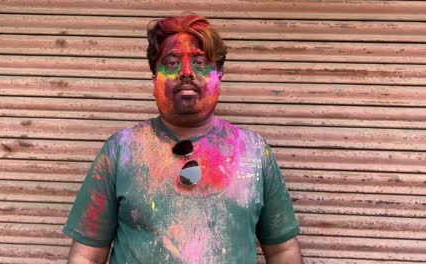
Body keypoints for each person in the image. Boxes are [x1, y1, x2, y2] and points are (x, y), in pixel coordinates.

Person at [63, 12, 302, 264]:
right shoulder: (120, 151)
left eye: (200, 63)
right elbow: (86, 256)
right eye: (172, 62)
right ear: (154, 77)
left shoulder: (254, 152)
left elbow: (282, 251)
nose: (186, 72)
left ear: (219, 76)